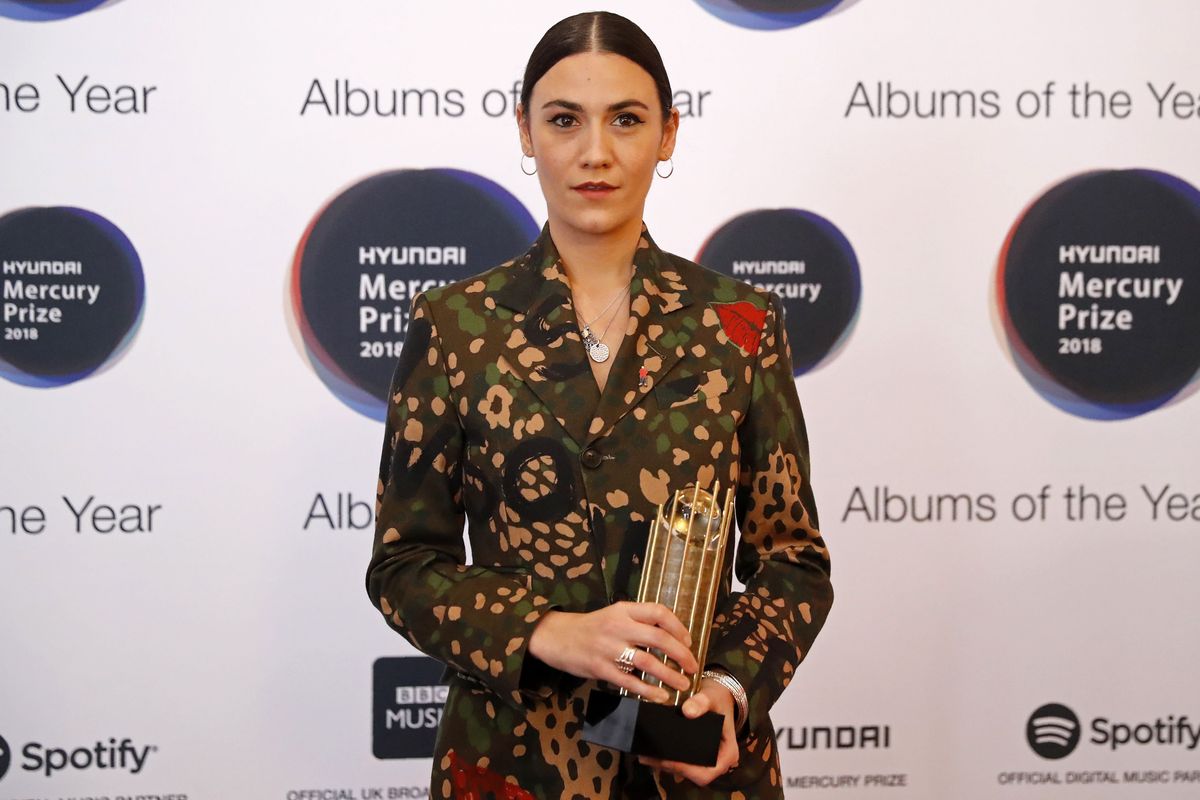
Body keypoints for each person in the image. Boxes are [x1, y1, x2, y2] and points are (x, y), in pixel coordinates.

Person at [366, 11, 832, 799]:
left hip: (691, 766)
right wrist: (549, 632)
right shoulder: (455, 325)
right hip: (512, 764)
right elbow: (404, 565)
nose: (595, 152)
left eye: (625, 119)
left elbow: (793, 562)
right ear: (525, 131)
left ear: (668, 133)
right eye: (563, 120)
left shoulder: (739, 324)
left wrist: (729, 686)